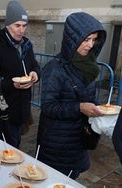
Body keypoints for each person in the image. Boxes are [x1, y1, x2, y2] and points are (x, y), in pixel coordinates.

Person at [36, 12, 106, 179]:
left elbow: (88, 95)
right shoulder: (55, 69)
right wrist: (79, 107)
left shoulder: (89, 65)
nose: (90, 45)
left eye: (94, 39)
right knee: (55, 180)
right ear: (72, 39)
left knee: (71, 178)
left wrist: (98, 109)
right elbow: (48, 107)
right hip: (57, 142)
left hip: (78, 138)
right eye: (86, 39)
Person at [0, 0, 40, 148]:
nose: (21, 30)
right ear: (7, 25)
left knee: (15, 144)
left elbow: (34, 66)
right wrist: (11, 84)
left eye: (24, 26)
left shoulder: (26, 44)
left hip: (21, 107)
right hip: (2, 110)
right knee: (2, 148)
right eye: (17, 25)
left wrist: (35, 73)